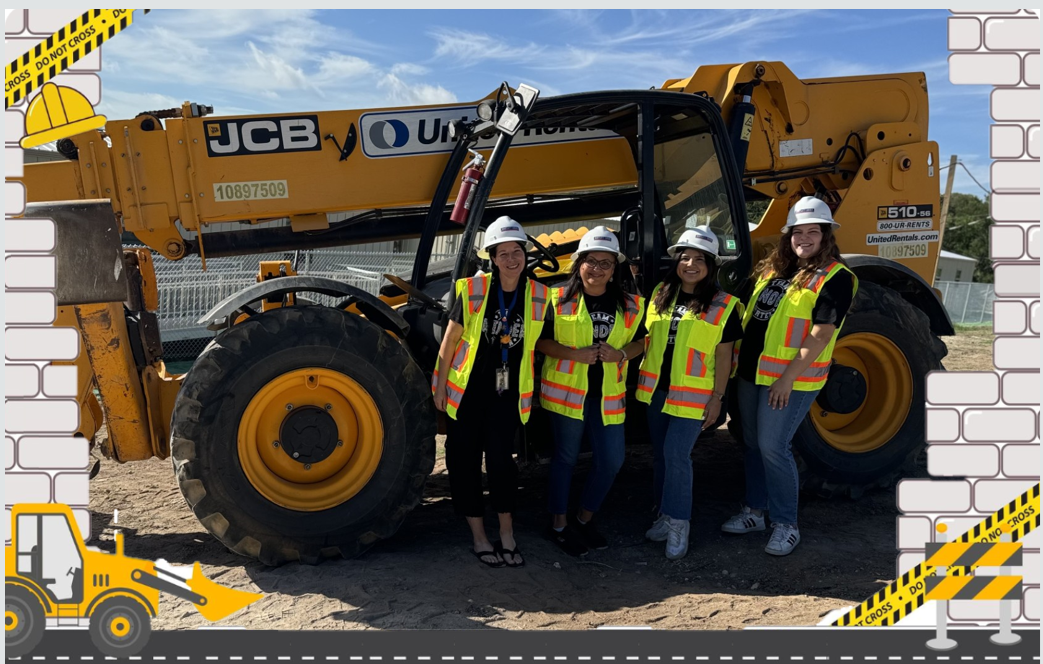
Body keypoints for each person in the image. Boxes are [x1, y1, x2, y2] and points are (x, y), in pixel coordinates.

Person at [721, 196, 857, 556]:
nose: (805, 238)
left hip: (790, 380)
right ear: (788, 236)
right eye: (798, 232)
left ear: (826, 235)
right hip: (750, 374)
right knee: (752, 443)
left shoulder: (836, 278)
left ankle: (786, 524)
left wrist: (786, 379)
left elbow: (821, 334)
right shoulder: (774, 271)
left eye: (813, 231)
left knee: (773, 447)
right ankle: (755, 511)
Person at [433, 216, 550, 569]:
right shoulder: (473, 289)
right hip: (468, 394)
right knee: (463, 462)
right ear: (492, 257)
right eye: (503, 253)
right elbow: (450, 341)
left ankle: (507, 532)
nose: (512, 259)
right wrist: (439, 386)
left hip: (506, 395)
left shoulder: (540, 294)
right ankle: (480, 537)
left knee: (501, 463)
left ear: (525, 255)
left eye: (517, 251)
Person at [535, 227, 646, 557]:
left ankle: (584, 519)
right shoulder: (557, 300)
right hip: (566, 395)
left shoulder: (631, 304)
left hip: (607, 395)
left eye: (606, 263)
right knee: (565, 460)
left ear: (615, 269)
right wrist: (574, 354)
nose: (597, 269)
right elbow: (540, 342)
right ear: (578, 262)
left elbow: (643, 341)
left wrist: (622, 354)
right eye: (591, 261)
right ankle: (558, 525)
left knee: (611, 461)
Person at [637, 227, 743, 560]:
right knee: (660, 456)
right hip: (657, 391)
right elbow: (647, 340)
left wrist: (717, 398)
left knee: (678, 457)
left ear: (711, 265)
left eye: (700, 259)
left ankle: (680, 523)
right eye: (685, 257)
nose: (691, 264)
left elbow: (725, 356)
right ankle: (666, 516)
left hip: (694, 397)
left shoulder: (723, 304)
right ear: (677, 261)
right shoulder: (660, 293)